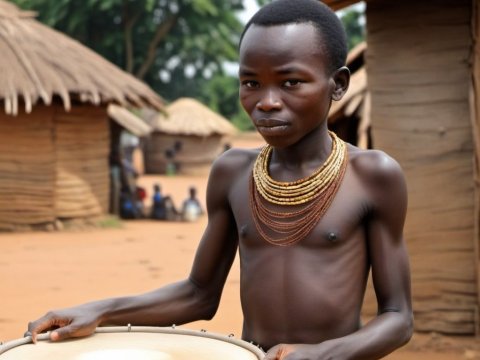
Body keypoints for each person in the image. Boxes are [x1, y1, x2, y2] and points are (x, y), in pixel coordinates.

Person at [27, 1, 413, 359]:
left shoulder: (372, 176)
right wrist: (98, 310)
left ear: (338, 85)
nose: (266, 101)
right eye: (250, 83)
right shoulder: (233, 172)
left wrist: (321, 355)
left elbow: (398, 317)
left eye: (291, 82)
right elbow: (199, 293)